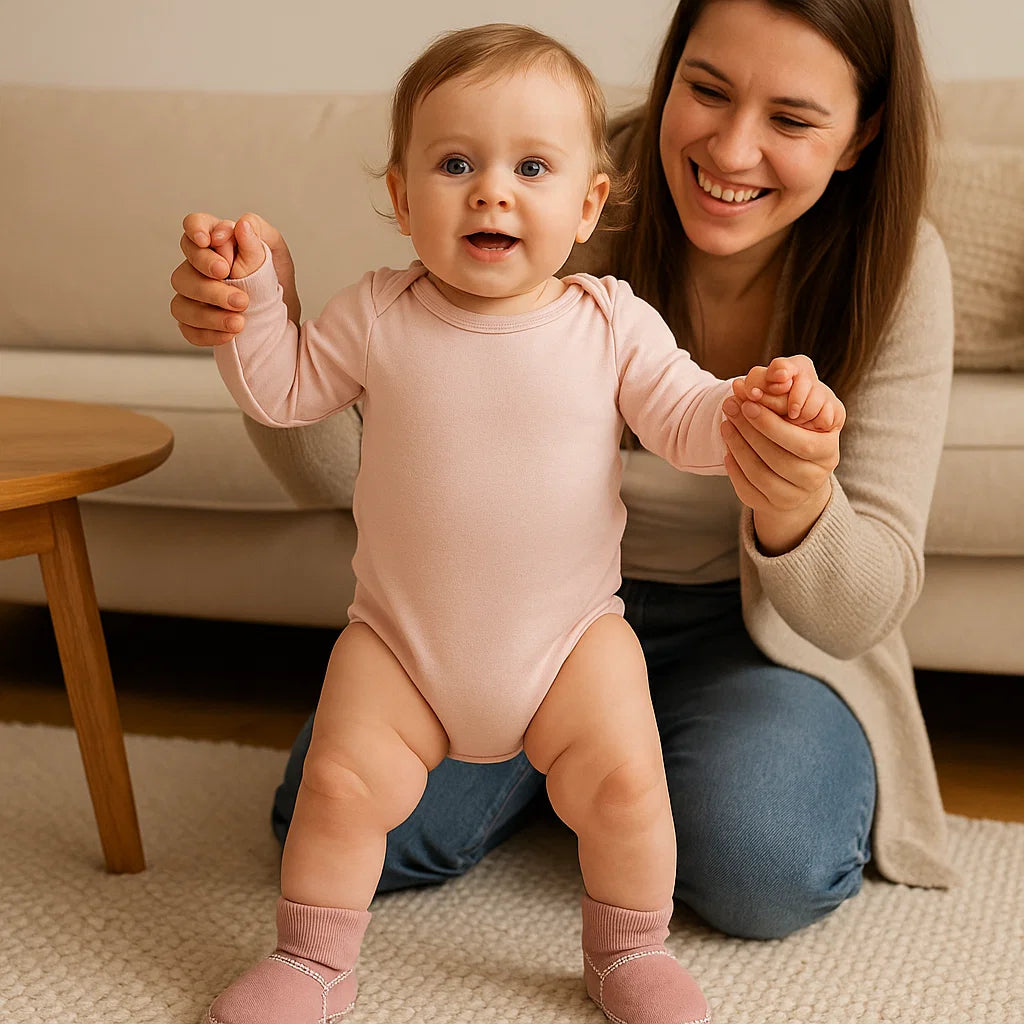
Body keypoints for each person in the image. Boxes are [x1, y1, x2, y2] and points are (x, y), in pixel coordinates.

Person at [170, 0, 955, 973]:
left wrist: (788, 488)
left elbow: (726, 453)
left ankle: (597, 789)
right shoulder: (536, 158)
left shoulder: (878, 268)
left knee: (763, 865)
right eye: (705, 89)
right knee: (338, 813)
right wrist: (264, 321)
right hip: (489, 621)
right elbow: (336, 454)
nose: (734, 147)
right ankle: (561, 764)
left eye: (791, 120)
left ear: (859, 134)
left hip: (745, 636)